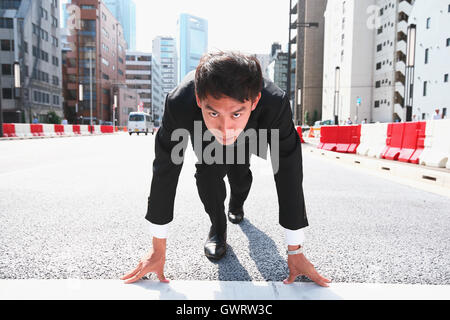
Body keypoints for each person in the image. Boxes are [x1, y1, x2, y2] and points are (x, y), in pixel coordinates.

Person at [121, 52, 330, 287]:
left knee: (240, 177)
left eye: (235, 113)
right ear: (199, 100)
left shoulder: (275, 103)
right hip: (204, 134)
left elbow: (289, 173)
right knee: (208, 177)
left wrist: (295, 252)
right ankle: (218, 229)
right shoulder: (179, 102)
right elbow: (165, 170)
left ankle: (236, 204)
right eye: (214, 112)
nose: (225, 127)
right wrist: (157, 250)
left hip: (251, 133)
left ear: (255, 100)